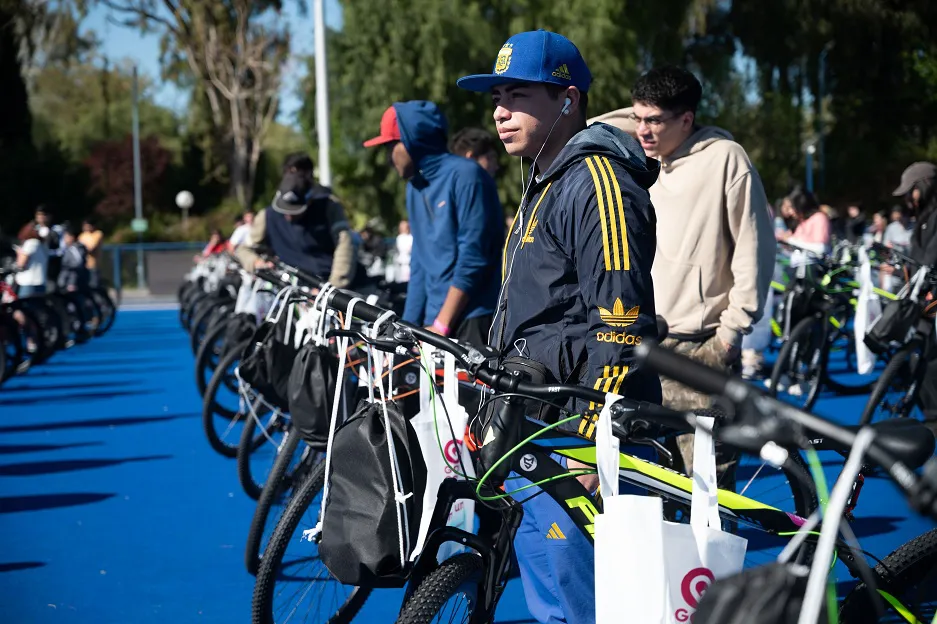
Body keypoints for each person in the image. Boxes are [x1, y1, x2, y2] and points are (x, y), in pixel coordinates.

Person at [458, 30, 661, 624]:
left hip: (582, 431)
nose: (499, 111)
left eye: (517, 95)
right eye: (496, 97)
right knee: (553, 598)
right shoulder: (542, 181)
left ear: (567, 100)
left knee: (588, 604)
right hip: (538, 421)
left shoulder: (597, 182)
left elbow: (622, 316)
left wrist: (597, 437)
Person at [630, 65, 775, 474]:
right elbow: (589, 123)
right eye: (636, 117)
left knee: (706, 486)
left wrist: (730, 335)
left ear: (687, 119)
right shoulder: (640, 158)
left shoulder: (726, 159)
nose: (642, 129)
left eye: (654, 120)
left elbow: (755, 251)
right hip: (641, 344)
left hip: (700, 348)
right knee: (645, 486)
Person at [362, 101, 503, 348]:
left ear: (410, 141)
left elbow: (473, 257)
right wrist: (406, 326)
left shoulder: (467, 176)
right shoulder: (413, 188)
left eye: (389, 146)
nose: (387, 158)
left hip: (472, 318)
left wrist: (442, 324)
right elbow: (420, 262)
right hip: (435, 321)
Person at [236, 153, 357, 288]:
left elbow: (344, 245)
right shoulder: (267, 215)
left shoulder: (329, 206)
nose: (289, 215)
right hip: (292, 289)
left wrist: (332, 288)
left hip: (327, 286)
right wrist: (256, 262)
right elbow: (243, 248)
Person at [892, 162, 937, 429]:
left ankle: (932, 415)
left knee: (928, 355)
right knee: (921, 354)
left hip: (932, 297)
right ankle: (930, 412)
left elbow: (929, 258)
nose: (909, 199)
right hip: (927, 296)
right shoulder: (924, 218)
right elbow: (919, 259)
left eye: (912, 192)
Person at [777, 187, 831, 255]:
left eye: (792, 207)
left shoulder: (819, 218)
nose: (790, 212)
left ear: (801, 205)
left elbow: (821, 248)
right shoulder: (801, 221)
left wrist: (790, 240)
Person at [14, 223, 49, 297]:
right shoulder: (43, 245)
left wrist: (19, 252)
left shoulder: (31, 243)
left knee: (23, 306)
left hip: (28, 283)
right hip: (41, 282)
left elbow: (21, 263)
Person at [57, 227, 90, 292]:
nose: (64, 239)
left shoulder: (74, 249)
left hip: (72, 281)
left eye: (66, 237)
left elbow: (78, 263)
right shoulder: (68, 248)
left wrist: (71, 281)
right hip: (68, 280)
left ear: (72, 237)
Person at [78, 219, 103, 286]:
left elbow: (91, 248)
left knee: (94, 284)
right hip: (83, 264)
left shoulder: (97, 234)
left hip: (93, 264)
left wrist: (84, 247)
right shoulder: (82, 235)